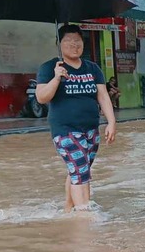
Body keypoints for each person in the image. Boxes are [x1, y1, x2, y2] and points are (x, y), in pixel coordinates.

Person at [35, 24, 117, 213]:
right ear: (59, 43)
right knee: (80, 172)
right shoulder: (49, 68)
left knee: (79, 170)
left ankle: (68, 210)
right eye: (69, 41)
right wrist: (56, 78)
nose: (74, 44)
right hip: (65, 130)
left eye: (78, 40)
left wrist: (111, 122)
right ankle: (84, 215)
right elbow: (41, 97)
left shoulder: (93, 68)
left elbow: (103, 96)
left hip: (90, 129)